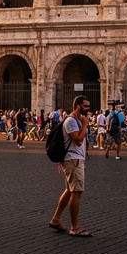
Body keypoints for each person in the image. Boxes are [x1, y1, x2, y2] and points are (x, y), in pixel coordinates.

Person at [48, 96, 91, 237]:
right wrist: (85, 124)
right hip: (73, 160)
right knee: (76, 192)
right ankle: (75, 227)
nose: (88, 109)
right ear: (78, 106)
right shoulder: (71, 121)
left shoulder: (76, 120)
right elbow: (78, 140)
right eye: (85, 106)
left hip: (75, 159)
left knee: (69, 190)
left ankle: (56, 220)